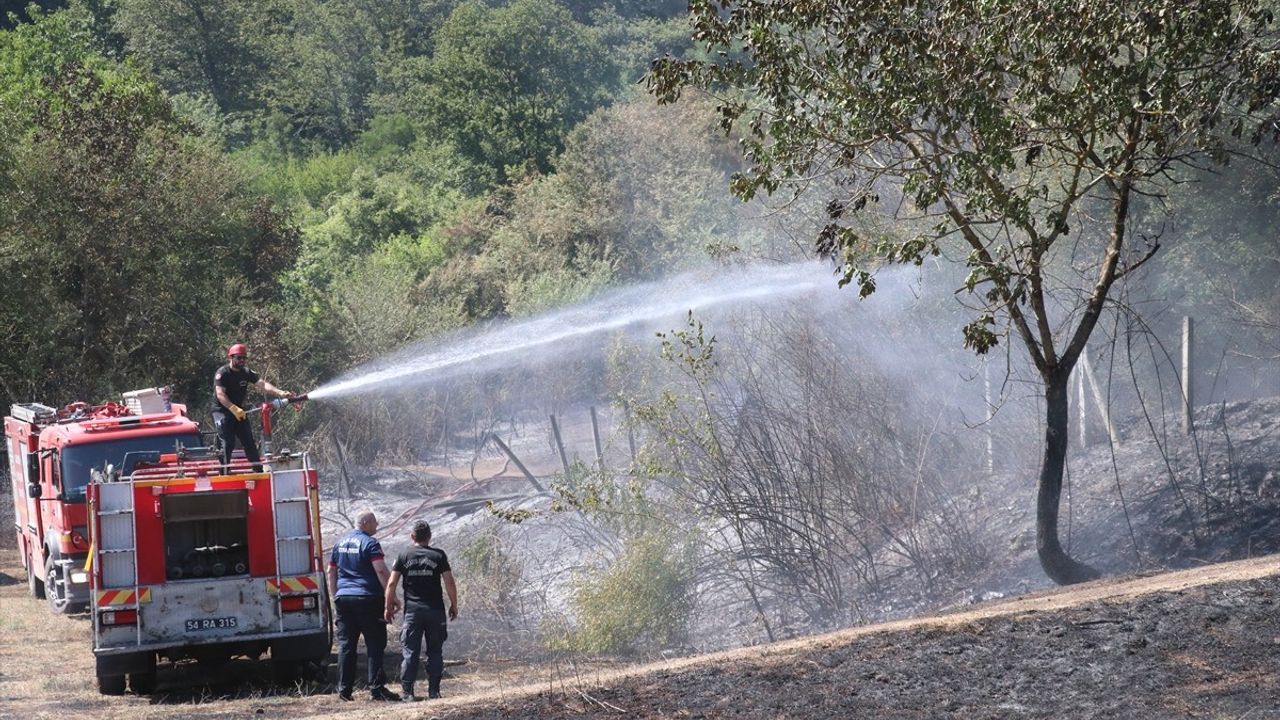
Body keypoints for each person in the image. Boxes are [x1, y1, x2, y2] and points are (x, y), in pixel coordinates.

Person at [327, 511, 400, 702]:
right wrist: (391, 596)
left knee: (346, 646)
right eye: (375, 522)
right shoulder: (370, 543)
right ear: (366, 523)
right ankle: (376, 689)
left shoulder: (339, 544)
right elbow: (381, 570)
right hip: (368, 599)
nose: (377, 526)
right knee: (375, 643)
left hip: (344, 599)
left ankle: (344, 691)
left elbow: (331, 572)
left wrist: (336, 596)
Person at [385, 520, 458, 701]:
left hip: (413, 612)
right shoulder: (438, 556)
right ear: (430, 537)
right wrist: (454, 604)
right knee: (435, 651)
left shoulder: (404, 555)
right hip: (435, 611)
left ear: (412, 537)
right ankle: (434, 692)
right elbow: (449, 581)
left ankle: (408, 694)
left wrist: (388, 607)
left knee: (410, 652)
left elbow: (392, 583)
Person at [211, 343, 293, 472]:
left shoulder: (246, 372)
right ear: (231, 358)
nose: (242, 361)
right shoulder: (222, 373)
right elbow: (220, 395)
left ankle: (258, 470)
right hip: (222, 410)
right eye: (239, 358)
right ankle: (224, 472)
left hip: (239, 411)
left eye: (244, 358)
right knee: (228, 442)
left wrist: (280, 392)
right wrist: (233, 408)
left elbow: (262, 384)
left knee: (249, 441)